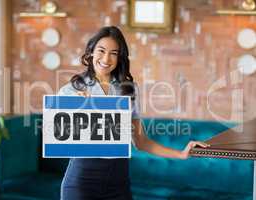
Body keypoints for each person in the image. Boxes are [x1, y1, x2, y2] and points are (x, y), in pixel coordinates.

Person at [57, 26, 209, 200]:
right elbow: (60, 138)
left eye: (114, 53)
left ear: (119, 58)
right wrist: (77, 110)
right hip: (81, 182)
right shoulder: (71, 91)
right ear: (91, 52)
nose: (106, 58)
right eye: (101, 50)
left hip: (118, 183)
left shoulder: (127, 89)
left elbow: (141, 141)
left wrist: (181, 154)